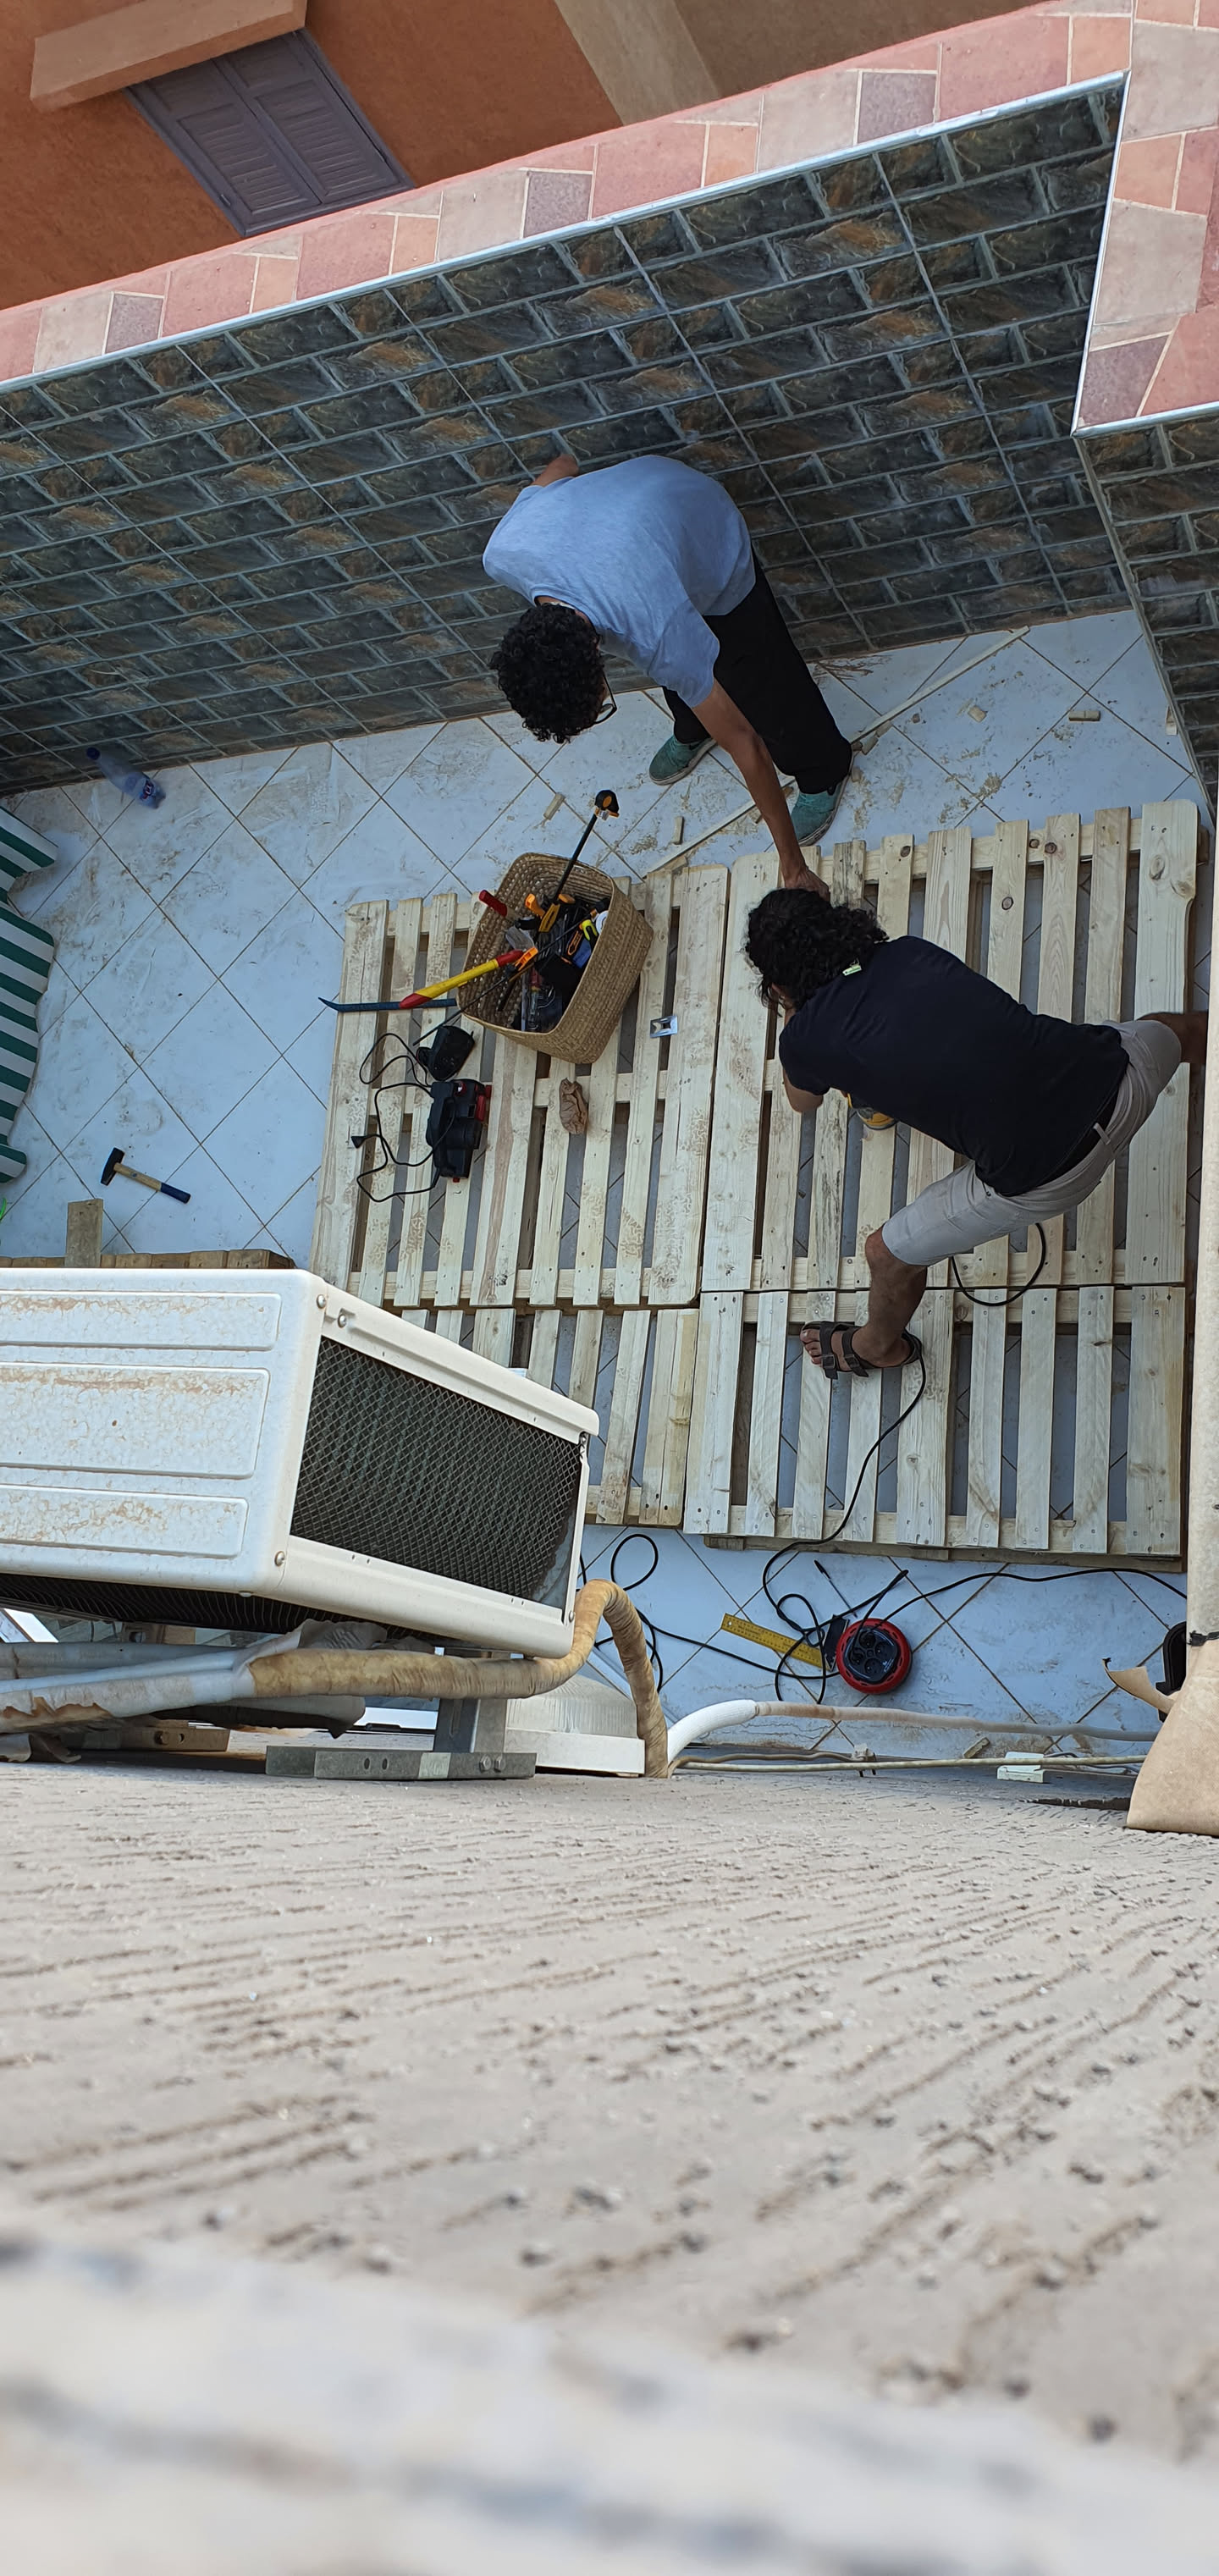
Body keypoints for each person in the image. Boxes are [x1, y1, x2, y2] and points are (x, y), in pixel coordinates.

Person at [744, 883, 1207, 1382]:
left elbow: (803, 1101)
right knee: (1177, 1032)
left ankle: (876, 1346)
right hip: (1119, 1079)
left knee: (886, 1255)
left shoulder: (805, 1041)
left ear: (778, 984)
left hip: (1049, 1178)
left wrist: (793, 1012)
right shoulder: (908, 952)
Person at [483, 453, 854, 896]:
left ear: (596, 661)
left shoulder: (653, 627)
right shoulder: (503, 551)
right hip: (647, 520)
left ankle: (823, 769)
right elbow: (564, 464)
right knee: (682, 675)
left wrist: (793, 869)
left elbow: (747, 745)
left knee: (757, 674)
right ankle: (696, 725)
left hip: (705, 531)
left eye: (601, 703)